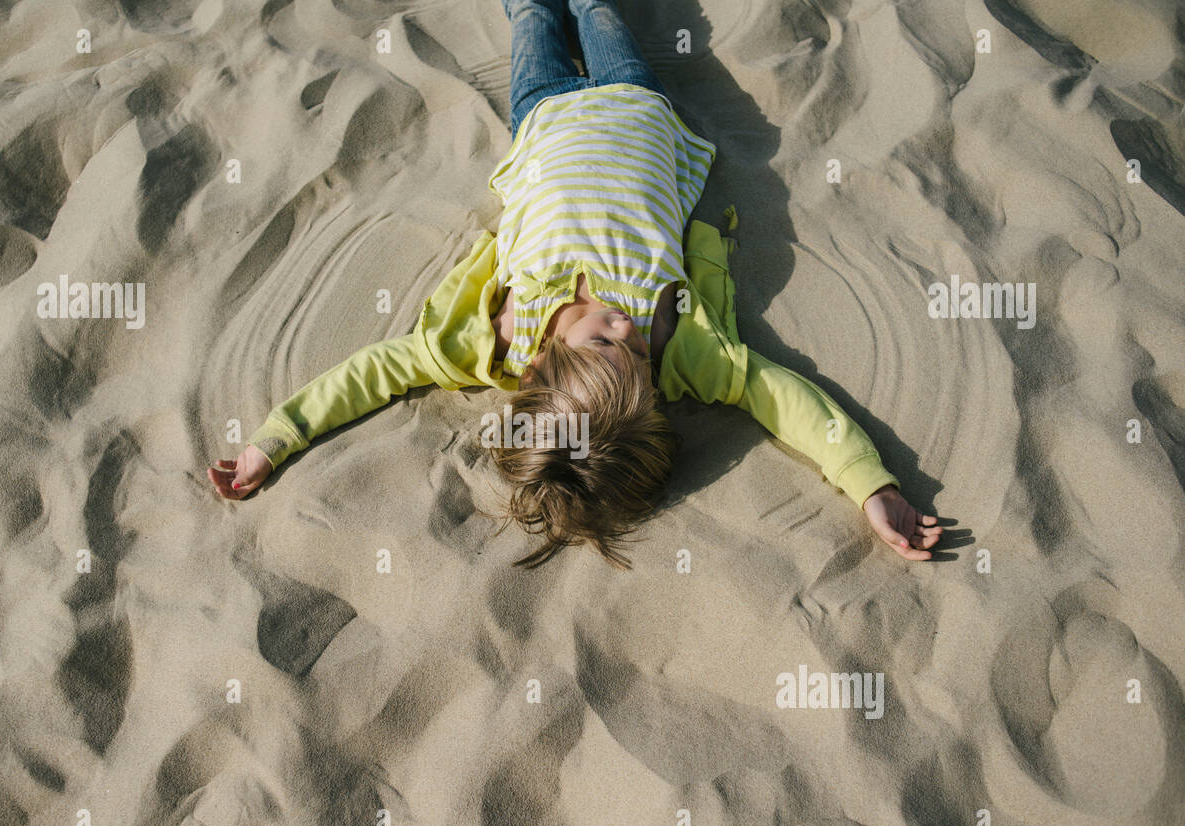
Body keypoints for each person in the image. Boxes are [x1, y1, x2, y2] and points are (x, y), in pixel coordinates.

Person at [208, 0, 943, 568]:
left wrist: (274, 441)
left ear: (538, 362)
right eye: (637, 353)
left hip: (544, 115)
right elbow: (787, 399)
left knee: (532, 13)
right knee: (597, 11)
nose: (627, 326)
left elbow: (373, 373)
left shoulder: (490, 337)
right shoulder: (684, 350)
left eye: (604, 337)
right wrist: (870, 484)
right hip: (635, 107)